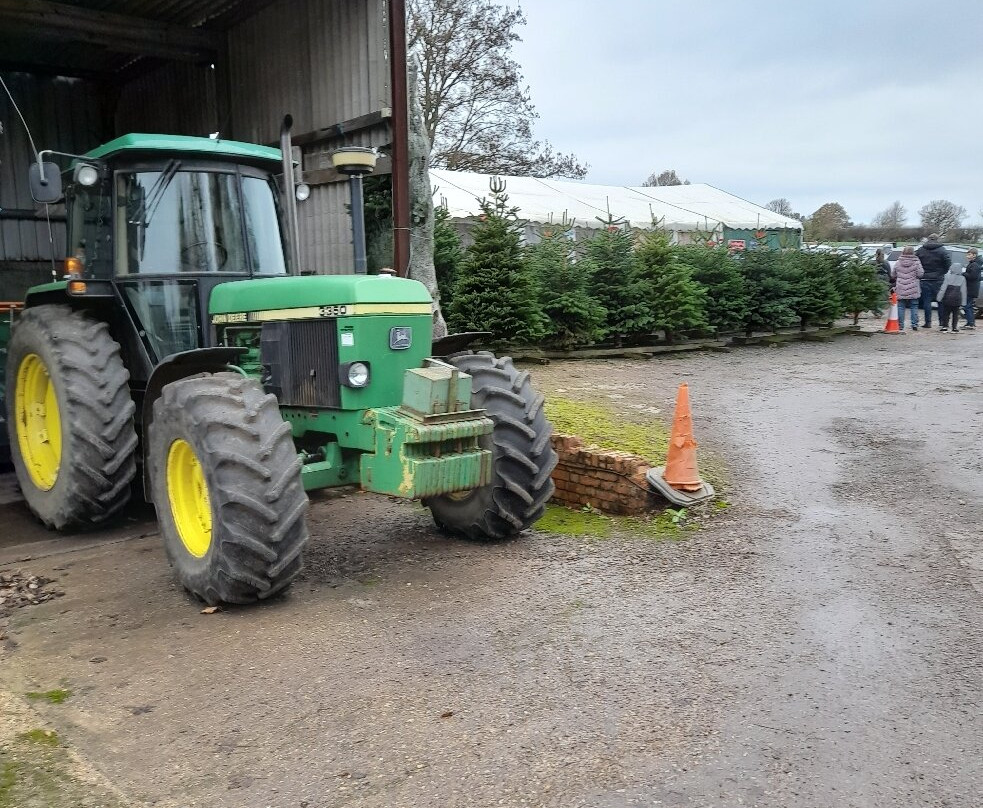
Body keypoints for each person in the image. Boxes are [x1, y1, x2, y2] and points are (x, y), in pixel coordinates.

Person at [915, 234, 951, 327]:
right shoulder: (942, 250)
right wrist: (943, 272)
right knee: (940, 301)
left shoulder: (921, 250)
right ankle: (942, 322)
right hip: (938, 279)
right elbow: (948, 263)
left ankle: (928, 323)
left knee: (927, 302)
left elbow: (916, 261)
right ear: (937, 239)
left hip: (925, 278)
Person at [890, 246, 924, 331]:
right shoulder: (916, 262)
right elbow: (920, 274)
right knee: (914, 306)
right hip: (913, 287)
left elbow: (893, 274)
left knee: (901, 306)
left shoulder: (898, 262)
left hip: (901, 287)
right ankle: (914, 324)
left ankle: (900, 325)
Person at [936, 262, 966, 333]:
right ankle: (954, 327)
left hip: (947, 298)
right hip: (957, 299)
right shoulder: (962, 278)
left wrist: (939, 297)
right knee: (955, 314)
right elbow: (963, 291)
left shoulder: (947, 276)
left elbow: (943, 288)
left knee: (946, 313)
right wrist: (964, 302)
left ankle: (945, 326)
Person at [963, 248, 980, 330]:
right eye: (967, 254)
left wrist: (964, 274)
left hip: (971, 289)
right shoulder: (973, 264)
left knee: (967, 306)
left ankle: (970, 323)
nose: (967, 256)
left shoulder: (974, 265)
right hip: (970, 288)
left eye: (969, 254)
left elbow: (973, 276)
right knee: (968, 306)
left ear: (974, 255)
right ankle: (970, 322)